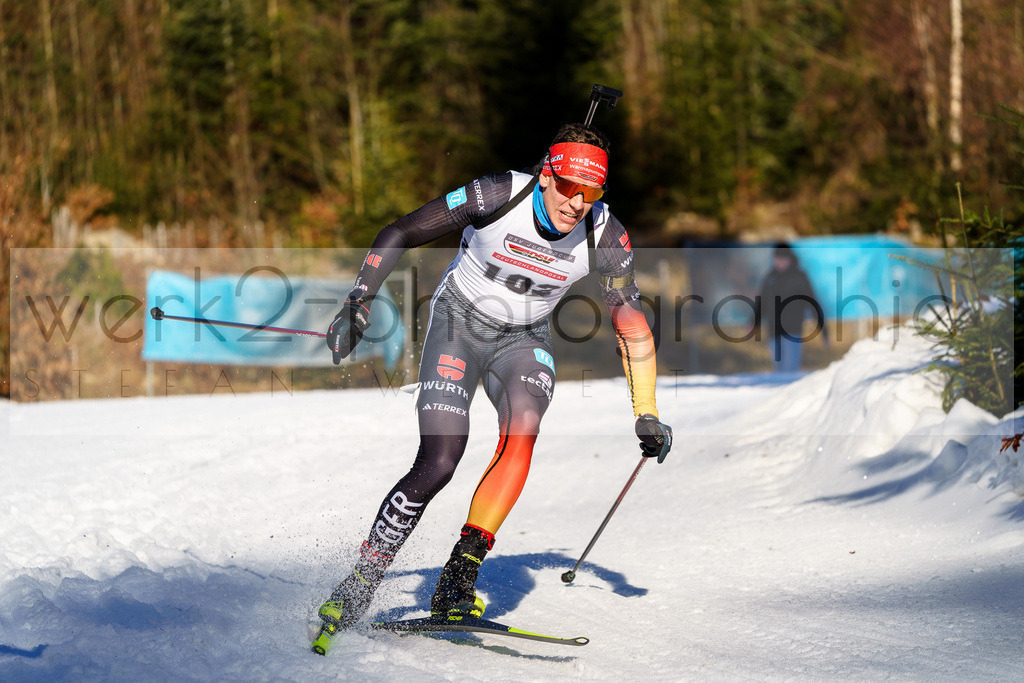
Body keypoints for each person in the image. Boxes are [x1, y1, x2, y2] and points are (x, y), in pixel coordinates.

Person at [316, 122, 673, 637]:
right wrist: (359, 299)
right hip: (457, 324)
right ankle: (361, 580)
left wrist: (646, 411)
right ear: (547, 174)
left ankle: (459, 576)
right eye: (570, 187)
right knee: (441, 459)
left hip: (523, 340)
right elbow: (401, 231)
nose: (578, 203)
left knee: (523, 429)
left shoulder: (606, 234)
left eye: (591, 191)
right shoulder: (499, 194)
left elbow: (631, 323)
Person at [754, 242, 828, 373]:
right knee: (778, 370)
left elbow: (812, 302)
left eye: (782, 259)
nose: (779, 263)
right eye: (777, 259)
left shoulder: (799, 277)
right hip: (773, 330)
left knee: (790, 371)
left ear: (789, 259)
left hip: (792, 331)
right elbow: (762, 302)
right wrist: (754, 322)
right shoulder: (770, 277)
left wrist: (822, 328)